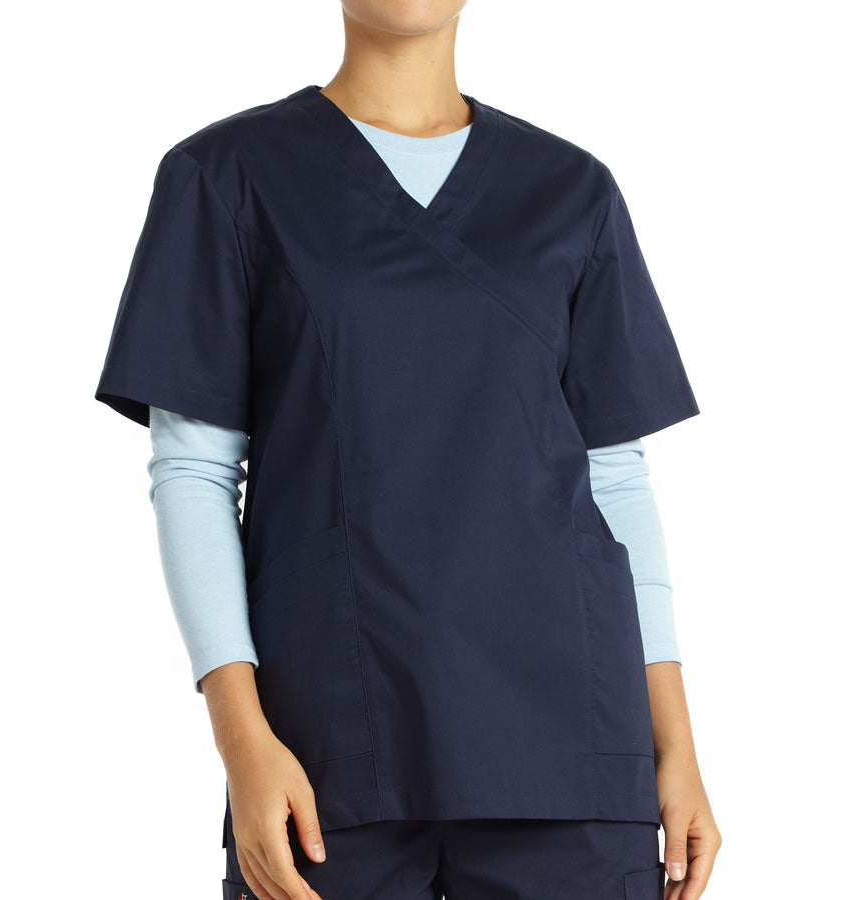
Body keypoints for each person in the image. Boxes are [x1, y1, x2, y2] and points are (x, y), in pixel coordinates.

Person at [94, 2, 722, 898]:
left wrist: (676, 748)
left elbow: (615, 479)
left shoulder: (571, 190)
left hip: (570, 747)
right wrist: (243, 744)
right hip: (332, 749)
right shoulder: (227, 175)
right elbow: (193, 473)